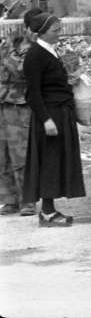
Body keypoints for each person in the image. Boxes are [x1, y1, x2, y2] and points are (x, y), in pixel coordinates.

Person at [22, 12, 85, 227]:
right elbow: (33, 93)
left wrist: (68, 81)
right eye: (55, 30)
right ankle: (47, 213)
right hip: (50, 115)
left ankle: (50, 209)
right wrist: (46, 120)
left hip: (59, 112)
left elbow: (50, 82)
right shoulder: (35, 55)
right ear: (43, 32)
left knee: (56, 160)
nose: (58, 33)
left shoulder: (49, 51)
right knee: (49, 161)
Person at [0, 32, 34, 217]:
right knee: (2, 156)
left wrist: (10, 52)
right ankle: (9, 199)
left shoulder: (24, 44)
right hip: (2, 103)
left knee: (20, 154)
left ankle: (27, 199)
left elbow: (22, 71)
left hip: (17, 104)